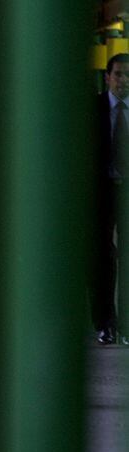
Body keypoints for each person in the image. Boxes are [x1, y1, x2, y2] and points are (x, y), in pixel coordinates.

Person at [93, 53, 129, 344]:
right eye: (118, 74)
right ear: (108, 77)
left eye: (128, 75)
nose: (124, 80)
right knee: (102, 259)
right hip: (101, 191)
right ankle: (106, 322)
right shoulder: (93, 109)